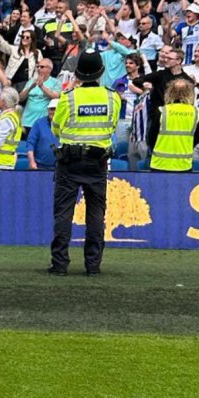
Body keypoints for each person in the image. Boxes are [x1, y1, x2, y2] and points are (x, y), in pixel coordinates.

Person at [50, 50, 121, 276]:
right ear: (101, 72)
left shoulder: (68, 97)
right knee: (96, 214)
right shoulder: (113, 98)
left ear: (78, 73)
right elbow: (112, 126)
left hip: (70, 162)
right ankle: (93, 265)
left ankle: (60, 265)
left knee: (63, 213)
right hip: (97, 162)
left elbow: (56, 129)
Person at [148, 78, 198, 172]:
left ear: (169, 92)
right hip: (184, 164)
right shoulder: (195, 112)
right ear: (189, 93)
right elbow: (196, 139)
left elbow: (151, 138)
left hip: (160, 163)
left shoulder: (162, 111)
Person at [26, 98, 60, 170]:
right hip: (40, 167)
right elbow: (30, 144)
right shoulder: (39, 123)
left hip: (60, 167)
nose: (53, 112)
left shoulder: (66, 124)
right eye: (51, 109)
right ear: (48, 110)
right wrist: (32, 162)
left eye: (56, 109)